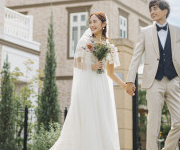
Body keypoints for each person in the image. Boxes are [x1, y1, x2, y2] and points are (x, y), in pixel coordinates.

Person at [50, 11, 126, 150]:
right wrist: (92, 66)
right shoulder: (85, 42)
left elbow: (110, 73)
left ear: (104, 24)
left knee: (102, 119)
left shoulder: (109, 46)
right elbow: (76, 63)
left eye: (95, 22)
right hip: (87, 86)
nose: (91, 25)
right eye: (90, 22)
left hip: (102, 86)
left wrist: (124, 86)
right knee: (88, 118)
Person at [126, 0, 180, 150]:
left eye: (155, 9)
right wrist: (129, 80)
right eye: (150, 9)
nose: (152, 12)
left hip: (173, 80)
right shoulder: (145, 32)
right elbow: (136, 56)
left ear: (165, 11)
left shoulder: (178, 30)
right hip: (154, 81)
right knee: (154, 122)